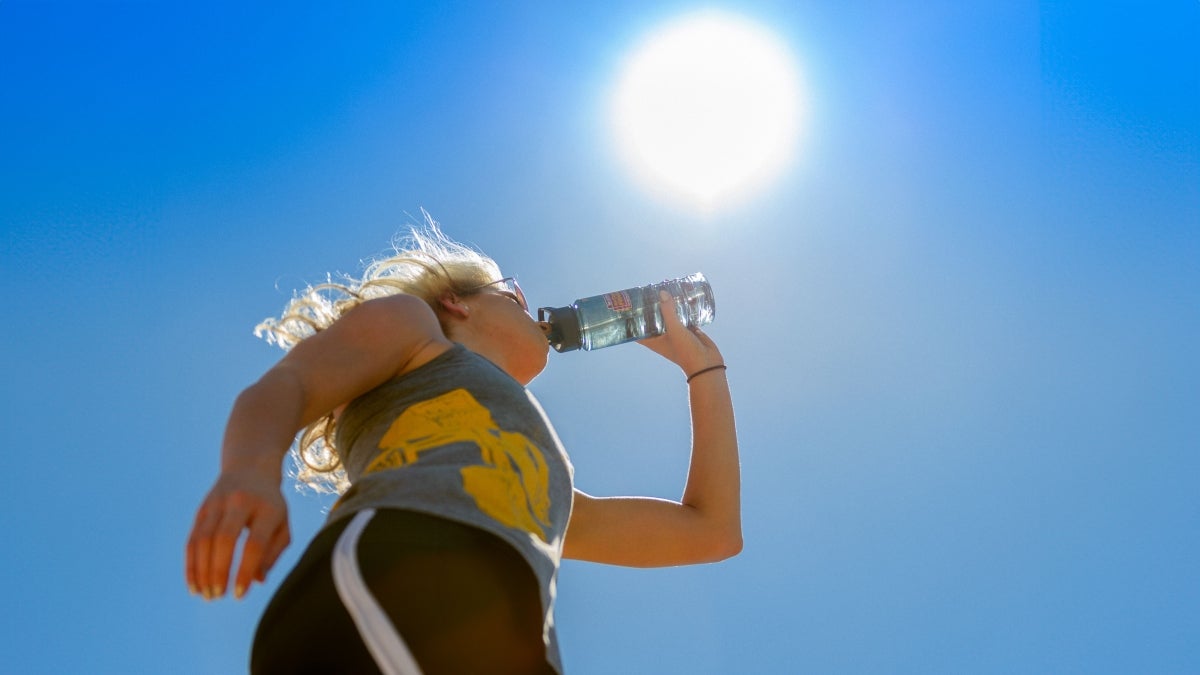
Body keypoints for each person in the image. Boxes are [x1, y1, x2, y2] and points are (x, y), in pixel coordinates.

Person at [185, 223, 741, 674]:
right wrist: (249, 473)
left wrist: (704, 370)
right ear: (457, 302)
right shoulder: (416, 328)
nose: (530, 306)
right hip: (405, 580)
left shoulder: (532, 484)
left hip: (504, 630)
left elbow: (711, 532)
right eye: (512, 293)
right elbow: (291, 385)